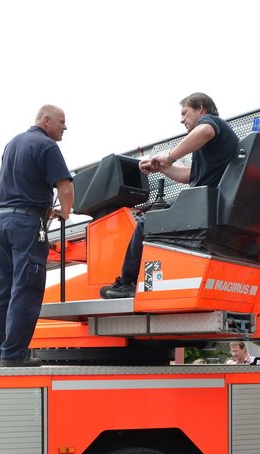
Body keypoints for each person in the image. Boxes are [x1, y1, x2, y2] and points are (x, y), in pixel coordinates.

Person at [100, 93, 239, 299]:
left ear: (201, 109)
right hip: (207, 203)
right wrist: (162, 168)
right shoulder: (213, 149)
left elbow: (206, 130)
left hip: (204, 205)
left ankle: (127, 282)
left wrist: (170, 156)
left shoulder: (211, 123)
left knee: (145, 222)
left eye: (185, 113)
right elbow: (189, 176)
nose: (181, 119)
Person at [0, 104, 73, 368]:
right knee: (26, 288)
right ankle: (14, 353)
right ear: (47, 121)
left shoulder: (12, 144)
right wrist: (65, 212)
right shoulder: (47, 146)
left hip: (1, 222)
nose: (65, 127)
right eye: (62, 122)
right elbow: (65, 187)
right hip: (27, 223)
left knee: (0, 288)